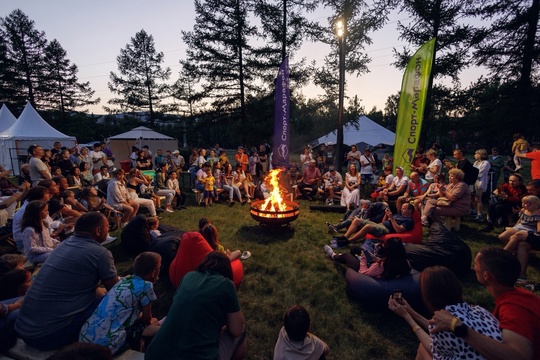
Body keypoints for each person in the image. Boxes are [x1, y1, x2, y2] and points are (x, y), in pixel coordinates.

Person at [15, 212, 120, 351]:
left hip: (25, 329)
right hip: (49, 336)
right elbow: (116, 291)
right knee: (123, 298)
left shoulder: (64, 245)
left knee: (100, 293)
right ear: (98, 230)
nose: (108, 230)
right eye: (107, 226)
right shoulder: (99, 253)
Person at [429, 247, 540, 360]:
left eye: (476, 265)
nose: (474, 267)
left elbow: (519, 356)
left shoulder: (512, 310)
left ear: (486, 276)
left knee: (427, 351)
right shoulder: (521, 295)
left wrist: (459, 327)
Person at [145, 251, 246, 360]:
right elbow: (237, 330)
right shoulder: (226, 284)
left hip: (154, 355)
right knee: (241, 329)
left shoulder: (188, 276)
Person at [388, 266, 502, 360]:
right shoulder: (478, 310)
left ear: (429, 296)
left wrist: (407, 317)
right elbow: (437, 327)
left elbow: (433, 346)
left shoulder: (444, 329)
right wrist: (411, 312)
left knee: (423, 348)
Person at [80, 252, 161, 354]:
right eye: (159, 268)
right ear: (153, 273)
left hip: (85, 337)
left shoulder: (124, 280)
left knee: (136, 324)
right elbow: (147, 319)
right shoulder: (146, 286)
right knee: (150, 325)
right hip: (106, 347)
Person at [325, 237, 411, 280]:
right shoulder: (403, 261)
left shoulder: (380, 267)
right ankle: (350, 259)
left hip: (365, 268)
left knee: (346, 255)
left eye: (385, 245)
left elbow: (363, 273)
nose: (382, 245)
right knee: (355, 248)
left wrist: (363, 259)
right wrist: (374, 257)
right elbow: (387, 261)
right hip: (373, 263)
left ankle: (334, 255)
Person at [334, 203, 415, 244]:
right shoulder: (398, 215)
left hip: (386, 230)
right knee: (356, 220)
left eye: (404, 209)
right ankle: (345, 237)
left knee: (368, 226)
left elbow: (399, 230)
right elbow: (384, 222)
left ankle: (348, 241)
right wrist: (386, 215)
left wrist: (392, 218)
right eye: (401, 208)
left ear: (410, 210)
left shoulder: (409, 220)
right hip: (381, 225)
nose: (401, 210)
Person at [472, 149, 491, 222]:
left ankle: (480, 214)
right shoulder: (476, 162)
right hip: (474, 181)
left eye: (476, 154)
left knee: (478, 198)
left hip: (480, 181)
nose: (475, 155)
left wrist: (473, 175)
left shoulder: (486, 163)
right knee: (474, 198)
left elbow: (480, 173)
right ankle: (475, 211)